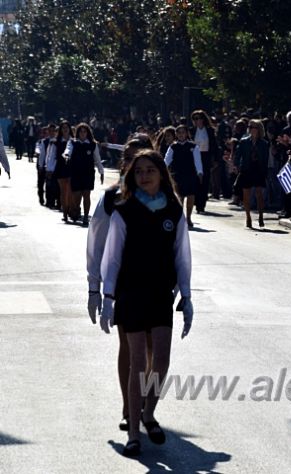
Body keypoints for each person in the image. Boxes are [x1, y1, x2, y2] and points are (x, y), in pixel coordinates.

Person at [99, 149, 194, 457]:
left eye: (150, 170)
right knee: (138, 362)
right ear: (132, 176)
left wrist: (187, 296)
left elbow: (182, 255)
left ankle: (149, 412)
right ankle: (134, 432)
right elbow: (112, 257)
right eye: (138, 171)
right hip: (130, 292)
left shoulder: (174, 210)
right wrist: (107, 296)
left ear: (161, 174)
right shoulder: (124, 209)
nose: (144, 175)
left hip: (160, 294)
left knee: (161, 360)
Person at [86, 135, 154, 435]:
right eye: (131, 160)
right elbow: (96, 244)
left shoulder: (164, 196)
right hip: (124, 282)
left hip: (156, 282)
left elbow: (177, 243)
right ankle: (129, 407)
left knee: (153, 351)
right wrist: (94, 288)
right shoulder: (111, 199)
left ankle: (146, 406)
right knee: (129, 346)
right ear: (125, 163)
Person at [64, 123, 105, 226]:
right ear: (78, 133)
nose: (83, 133)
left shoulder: (92, 144)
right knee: (76, 196)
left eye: (84, 131)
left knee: (87, 195)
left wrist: (101, 172)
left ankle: (86, 216)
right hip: (76, 173)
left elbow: (97, 159)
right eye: (81, 131)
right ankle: (76, 209)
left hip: (88, 173)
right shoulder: (72, 142)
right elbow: (67, 150)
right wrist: (66, 155)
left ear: (88, 133)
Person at [164, 125, 203, 229]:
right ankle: (179, 218)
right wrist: (162, 171)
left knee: (190, 196)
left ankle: (189, 217)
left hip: (190, 175)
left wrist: (200, 172)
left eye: (183, 132)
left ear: (187, 134)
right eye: (179, 132)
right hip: (177, 175)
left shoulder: (193, 146)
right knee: (179, 198)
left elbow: (197, 161)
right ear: (176, 134)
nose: (181, 134)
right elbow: (166, 161)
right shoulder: (173, 147)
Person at [235, 119, 269, 228]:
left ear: (258, 129)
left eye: (253, 127)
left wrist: (264, 172)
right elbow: (238, 155)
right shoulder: (244, 141)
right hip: (247, 169)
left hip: (258, 170)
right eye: (250, 127)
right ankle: (248, 217)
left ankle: (261, 216)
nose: (251, 129)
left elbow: (265, 159)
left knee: (259, 194)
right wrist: (236, 166)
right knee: (246, 195)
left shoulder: (264, 144)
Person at [190, 110, 218, 213]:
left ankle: (201, 204)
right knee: (196, 180)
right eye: (195, 119)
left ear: (203, 119)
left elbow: (214, 146)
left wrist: (215, 159)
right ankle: (196, 201)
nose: (198, 121)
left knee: (205, 180)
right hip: (194, 156)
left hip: (206, 156)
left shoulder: (209, 130)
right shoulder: (192, 131)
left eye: (199, 118)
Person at [46, 121, 75, 222]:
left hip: (71, 168)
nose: (65, 129)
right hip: (60, 167)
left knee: (71, 191)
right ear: (61, 130)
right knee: (63, 191)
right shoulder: (55, 141)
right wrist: (49, 169)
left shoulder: (74, 141)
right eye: (63, 128)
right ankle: (65, 213)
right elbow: (51, 156)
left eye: (67, 127)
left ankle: (71, 209)